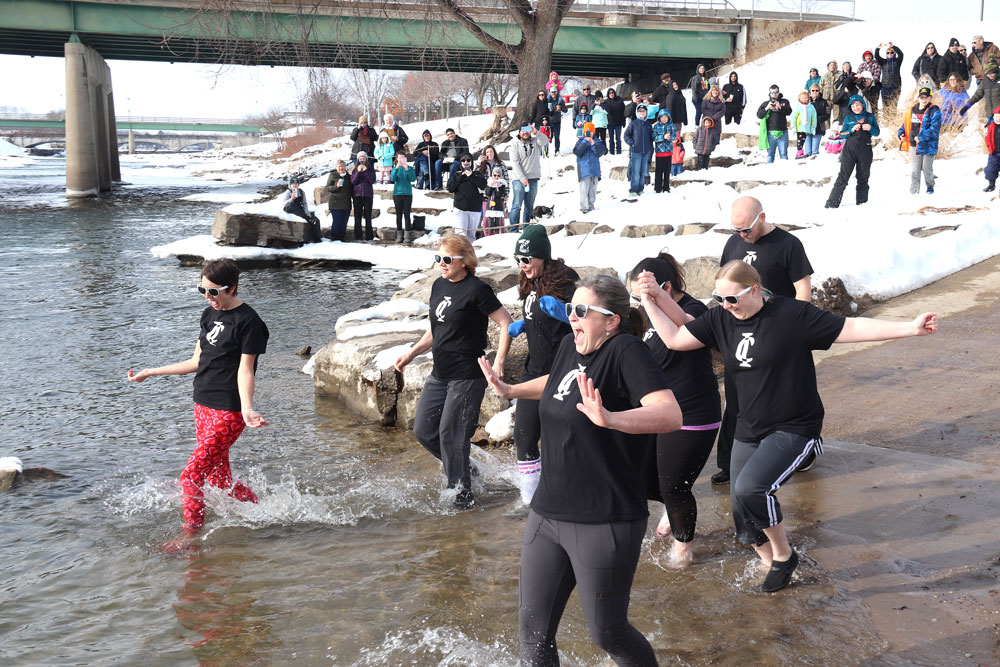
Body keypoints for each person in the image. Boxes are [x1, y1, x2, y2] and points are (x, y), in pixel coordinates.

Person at [638, 260, 938, 592]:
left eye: (732, 299)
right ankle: (772, 564)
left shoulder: (792, 316)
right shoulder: (723, 317)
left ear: (754, 290)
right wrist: (649, 300)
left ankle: (784, 557)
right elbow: (677, 336)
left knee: (752, 489)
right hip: (749, 427)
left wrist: (909, 328)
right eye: (718, 299)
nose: (725, 306)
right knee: (745, 523)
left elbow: (850, 328)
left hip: (794, 426)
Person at [478, 273, 681, 664]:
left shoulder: (626, 352)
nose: (573, 317)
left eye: (582, 310)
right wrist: (510, 390)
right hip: (548, 514)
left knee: (608, 634)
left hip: (605, 518)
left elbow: (670, 414)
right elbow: (557, 382)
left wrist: (612, 418)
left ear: (612, 319)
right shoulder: (573, 346)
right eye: (571, 308)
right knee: (532, 635)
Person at [128, 258, 269, 534]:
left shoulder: (250, 322)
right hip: (202, 404)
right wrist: (151, 371)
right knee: (218, 480)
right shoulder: (208, 315)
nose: (207, 297)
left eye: (214, 291)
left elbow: (245, 371)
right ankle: (263, 511)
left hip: (228, 411)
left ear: (232, 288)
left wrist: (247, 408)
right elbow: (196, 361)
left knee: (190, 476)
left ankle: (191, 539)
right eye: (202, 290)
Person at [395, 234, 513, 509]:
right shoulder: (438, 285)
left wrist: (499, 363)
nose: (441, 264)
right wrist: (411, 353)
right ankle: (467, 471)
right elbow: (436, 331)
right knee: (424, 431)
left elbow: (506, 322)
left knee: (452, 435)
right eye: (438, 258)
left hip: (467, 375)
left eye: (447, 259)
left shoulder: (477, 289)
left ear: (465, 261)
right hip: (440, 373)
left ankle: (461, 499)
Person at [626, 254, 721, 566]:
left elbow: (685, 327)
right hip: (660, 411)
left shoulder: (694, 309)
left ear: (665, 287)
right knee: (639, 479)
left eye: (644, 294)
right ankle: (672, 504)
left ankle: (683, 550)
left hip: (694, 413)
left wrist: (656, 300)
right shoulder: (644, 310)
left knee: (674, 486)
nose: (640, 302)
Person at [712, 196, 814, 486]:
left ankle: (800, 451)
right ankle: (729, 463)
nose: (741, 236)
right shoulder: (733, 245)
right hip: (740, 333)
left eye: (746, 230)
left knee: (786, 396)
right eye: (736, 231)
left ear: (762, 217)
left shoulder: (788, 244)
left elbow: (802, 290)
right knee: (736, 399)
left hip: (777, 333)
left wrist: (797, 330)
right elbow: (723, 284)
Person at [505, 226, 578, 503]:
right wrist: (526, 323)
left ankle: (560, 495)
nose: (522, 266)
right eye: (518, 260)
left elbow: (586, 319)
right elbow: (537, 311)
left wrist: (564, 312)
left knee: (554, 441)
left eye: (527, 259)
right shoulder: (530, 282)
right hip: (532, 370)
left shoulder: (566, 282)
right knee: (523, 437)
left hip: (560, 371)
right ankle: (529, 500)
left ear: (542, 257)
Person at [825, 94, 880, 209]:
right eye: (853, 106)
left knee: (863, 177)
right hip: (850, 150)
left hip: (865, 149)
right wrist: (851, 129)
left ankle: (862, 202)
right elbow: (842, 134)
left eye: (858, 105)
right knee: (843, 176)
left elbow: (877, 132)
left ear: (862, 105)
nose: (856, 108)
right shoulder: (849, 118)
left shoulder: (870, 117)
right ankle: (832, 203)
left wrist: (870, 128)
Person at [897, 87, 941, 196]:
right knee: (914, 170)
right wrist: (901, 133)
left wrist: (921, 137)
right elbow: (906, 124)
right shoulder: (912, 109)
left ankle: (930, 187)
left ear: (930, 98)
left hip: (928, 144)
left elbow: (934, 128)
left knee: (927, 169)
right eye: (922, 97)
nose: (924, 100)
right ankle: (914, 191)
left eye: (926, 97)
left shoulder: (934, 110)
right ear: (918, 98)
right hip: (914, 144)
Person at [509, 125, 549, 233]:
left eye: (528, 131)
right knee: (517, 204)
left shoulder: (536, 141)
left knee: (529, 205)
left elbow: (546, 140)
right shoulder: (514, 144)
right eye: (523, 131)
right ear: (519, 132)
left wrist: (536, 132)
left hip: (533, 178)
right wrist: (522, 178)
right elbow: (515, 163)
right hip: (518, 179)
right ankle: (514, 228)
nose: (525, 133)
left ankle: (526, 228)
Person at [447, 153, 487, 242]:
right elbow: (450, 188)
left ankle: (469, 255)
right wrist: (462, 176)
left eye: (468, 160)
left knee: (471, 236)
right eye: (463, 160)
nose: (466, 162)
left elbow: (483, 186)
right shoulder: (457, 175)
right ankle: (461, 255)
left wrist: (471, 175)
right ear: (460, 163)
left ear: (472, 162)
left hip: (474, 209)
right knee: (461, 235)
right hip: (460, 209)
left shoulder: (477, 174)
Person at [624, 103, 654, 200]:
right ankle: (633, 190)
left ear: (646, 112)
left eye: (643, 111)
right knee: (636, 172)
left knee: (643, 171)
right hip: (636, 151)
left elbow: (651, 137)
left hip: (646, 152)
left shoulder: (648, 125)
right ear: (637, 112)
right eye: (640, 111)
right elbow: (626, 135)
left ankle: (640, 189)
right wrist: (632, 143)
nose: (642, 113)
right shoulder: (633, 123)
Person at [573, 122, 606, 213]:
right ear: (583, 132)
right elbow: (577, 152)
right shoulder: (580, 141)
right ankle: (584, 208)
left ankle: (591, 207)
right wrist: (585, 141)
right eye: (586, 131)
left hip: (595, 170)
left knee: (592, 190)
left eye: (590, 131)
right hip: (584, 170)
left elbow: (601, 152)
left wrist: (593, 144)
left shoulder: (597, 141)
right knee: (584, 190)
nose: (588, 133)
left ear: (593, 132)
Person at [756, 84, 792, 163]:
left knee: (784, 154)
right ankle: (769, 173)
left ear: (779, 92)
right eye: (772, 93)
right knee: (770, 155)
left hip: (783, 132)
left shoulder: (784, 101)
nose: (774, 94)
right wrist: (766, 108)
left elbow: (789, 112)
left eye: (776, 92)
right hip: (770, 133)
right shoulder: (766, 103)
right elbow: (759, 115)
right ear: (769, 93)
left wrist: (780, 107)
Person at [281, 176, 321, 242]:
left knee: (316, 220)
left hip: (300, 210)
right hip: (290, 208)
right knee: (292, 205)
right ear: (290, 185)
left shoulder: (301, 192)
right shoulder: (288, 192)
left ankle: (317, 238)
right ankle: (307, 218)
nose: (295, 185)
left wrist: (307, 213)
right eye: (293, 184)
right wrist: (292, 199)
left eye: (296, 184)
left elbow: (304, 203)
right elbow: (285, 204)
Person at [350, 151, 377, 242]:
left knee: (368, 217)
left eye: (363, 158)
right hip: (357, 196)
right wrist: (358, 171)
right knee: (357, 217)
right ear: (358, 160)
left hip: (368, 196)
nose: (362, 160)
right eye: (360, 158)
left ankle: (369, 237)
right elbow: (353, 182)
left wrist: (365, 171)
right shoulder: (354, 170)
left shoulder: (370, 169)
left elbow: (372, 180)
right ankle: (358, 237)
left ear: (366, 159)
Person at [324, 160, 352, 242]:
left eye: (342, 166)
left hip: (346, 203)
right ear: (336, 167)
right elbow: (328, 188)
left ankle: (342, 238)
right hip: (335, 203)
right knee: (337, 221)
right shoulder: (333, 175)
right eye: (339, 166)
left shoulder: (348, 177)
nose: (341, 168)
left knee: (344, 222)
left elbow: (352, 189)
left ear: (345, 167)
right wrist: (336, 186)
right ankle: (335, 239)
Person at [390, 154, 417, 242]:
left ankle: (407, 235)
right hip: (397, 194)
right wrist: (397, 168)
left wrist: (407, 169)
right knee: (398, 214)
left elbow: (413, 179)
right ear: (397, 159)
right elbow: (392, 179)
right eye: (399, 158)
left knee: (407, 214)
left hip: (408, 194)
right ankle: (399, 234)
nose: (401, 159)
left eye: (403, 157)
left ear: (406, 158)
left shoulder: (410, 168)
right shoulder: (395, 168)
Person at [874, 43, 904, 114]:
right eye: (888, 53)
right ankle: (886, 122)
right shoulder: (883, 62)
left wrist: (893, 46)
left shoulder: (897, 61)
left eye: (891, 52)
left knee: (893, 105)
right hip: (885, 87)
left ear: (894, 53)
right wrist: (878, 48)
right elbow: (877, 56)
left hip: (895, 87)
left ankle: (893, 122)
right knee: (885, 106)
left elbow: (901, 54)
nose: (890, 54)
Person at [652, 109, 677, 192]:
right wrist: (663, 137)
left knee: (667, 171)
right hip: (659, 152)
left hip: (669, 152)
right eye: (662, 117)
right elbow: (654, 138)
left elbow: (674, 137)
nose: (664, 119)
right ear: (659, 118)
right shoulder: (656, 126)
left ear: (668, 117)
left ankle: (666, 187)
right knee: (659, 171)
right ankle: (658, 187)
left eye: (665, 117)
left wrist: (672, 139)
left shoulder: (672, 126)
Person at [792, 90, 817, 159]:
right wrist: (793, 126)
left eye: (806, 98)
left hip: (807, 128)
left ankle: (800, 152)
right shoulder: (798, 107)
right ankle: (799, 152)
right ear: (799, 99)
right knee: (800, 139)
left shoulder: (811, 107)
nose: (805, 99)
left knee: (803, 139)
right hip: (800, 127)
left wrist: (813, 127)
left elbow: (813, 117)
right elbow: (794, 117)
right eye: (803, 98)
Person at [482, 167, 507, 235]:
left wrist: (498, 186)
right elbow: (488, 193)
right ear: (492, 175)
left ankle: (496, 235)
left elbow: (499, 195)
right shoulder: (489, 183)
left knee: (497, 223)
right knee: (490, 223)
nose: (496, 177)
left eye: (498, 176)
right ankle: (490, 235)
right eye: (495, 175)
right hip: (490, 206)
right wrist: (491, 186)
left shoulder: (502, 185)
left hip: (498, 206)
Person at [806, 85, 830, 156]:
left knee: (815, 151)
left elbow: (827, 114)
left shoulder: (824, 102)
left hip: (818, 127)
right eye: (813, 90)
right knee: (807, 151)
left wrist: (818, 118)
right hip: (807, 128)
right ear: (810, 91)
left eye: (817, 90)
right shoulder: (806, 100)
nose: (815, 92)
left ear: (819, 91)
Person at [545, 89, 567, 154]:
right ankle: (546, 151)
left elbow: (566, 110)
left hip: (557, 122)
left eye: (554, 92)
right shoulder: (547, 100)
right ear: (550, 93)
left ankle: (557, 150)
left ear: (557, 92)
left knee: (557, 137)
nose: (553, 93)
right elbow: (543, 110)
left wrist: (561, 107)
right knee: (548, 137)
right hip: (549, 122)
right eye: (552, 92)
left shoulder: (560, 100)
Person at [983, 105, 1000, 192]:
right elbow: (987, 137)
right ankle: (991, 185)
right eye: (996, 116)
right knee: (991, 169)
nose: (998, 119)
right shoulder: (991, 127)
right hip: (994, 153)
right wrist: (989, 146)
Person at [605, 88, 626, 155]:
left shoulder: (619, 100)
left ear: (614, 93)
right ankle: (611, 152)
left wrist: (623, 121)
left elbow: (624, 112)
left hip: (618, 122)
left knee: (618, 139)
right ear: (608, 94)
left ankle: (619, 152)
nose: (611, 94)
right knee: (611, 139)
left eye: (612, 92)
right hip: (610, 123)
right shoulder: (606, 102)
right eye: (609, 93)